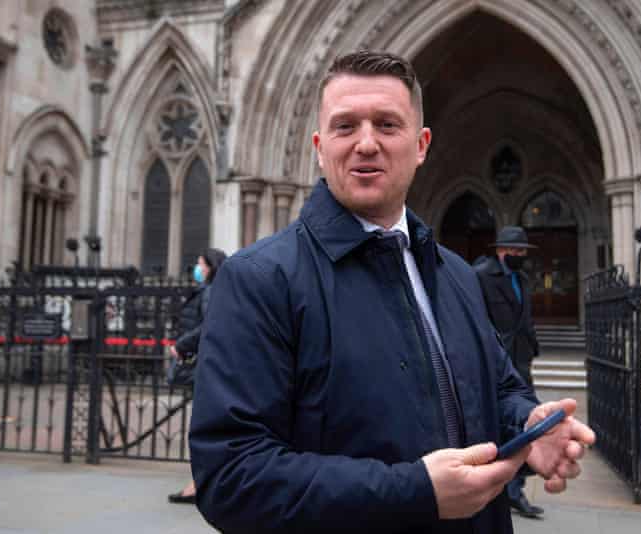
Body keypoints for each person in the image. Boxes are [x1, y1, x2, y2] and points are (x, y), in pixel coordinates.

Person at [189, 50, 595, 533]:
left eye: (387, 124)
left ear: (421, 144)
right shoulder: (259, 279)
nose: (366, 143)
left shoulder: (456, 275)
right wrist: (416, 492)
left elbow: (496, 388)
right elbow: (231, 476)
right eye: (345, 127)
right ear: (319, 146)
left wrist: (529, 428)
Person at [474, 226, 544, 518]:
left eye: (522, 252)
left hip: (521, 359)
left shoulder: (523, 279)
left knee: (527, 419)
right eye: (514, 251)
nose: (519, 256)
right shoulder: (481, 276)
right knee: (496, 423)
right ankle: (499, 488)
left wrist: (532, 345)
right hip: (494, 361)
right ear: (501, 250)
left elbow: (523, 318)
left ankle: (514, 489)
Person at [167, 247, 227, 504]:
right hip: (210, 363)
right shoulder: (215, 291)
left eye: (201, 265)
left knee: (203, 425)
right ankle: (203, 481)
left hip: (207, 363)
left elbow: (208, 326)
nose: (197, 269)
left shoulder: (211, 292)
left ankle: (198, 484)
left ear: (211, 267)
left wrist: (182, 345)